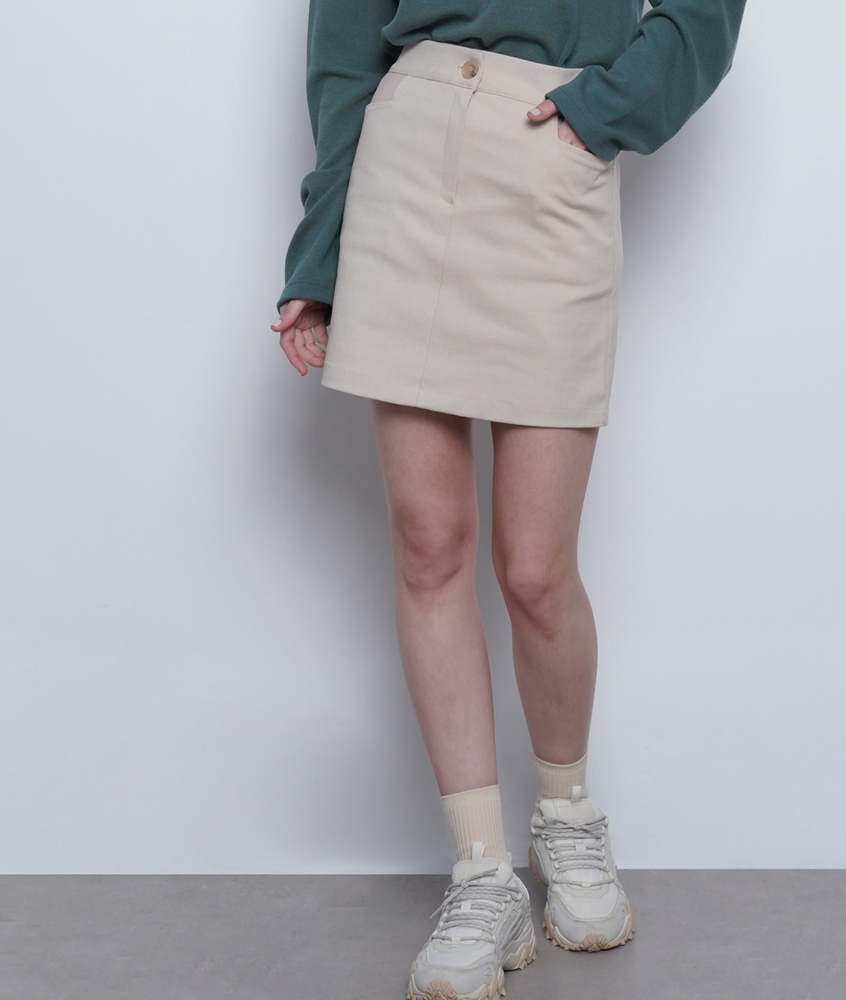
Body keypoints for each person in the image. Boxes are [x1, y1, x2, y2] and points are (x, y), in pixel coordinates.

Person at [272, 2, 745, 997]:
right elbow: (344, 50)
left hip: (550, 160)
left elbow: (706, 11)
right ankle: (482, 872)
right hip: (406, 163)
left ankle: (566, 817)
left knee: (535, 569)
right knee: (430, 545)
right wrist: (320, 253)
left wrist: (605, 108)